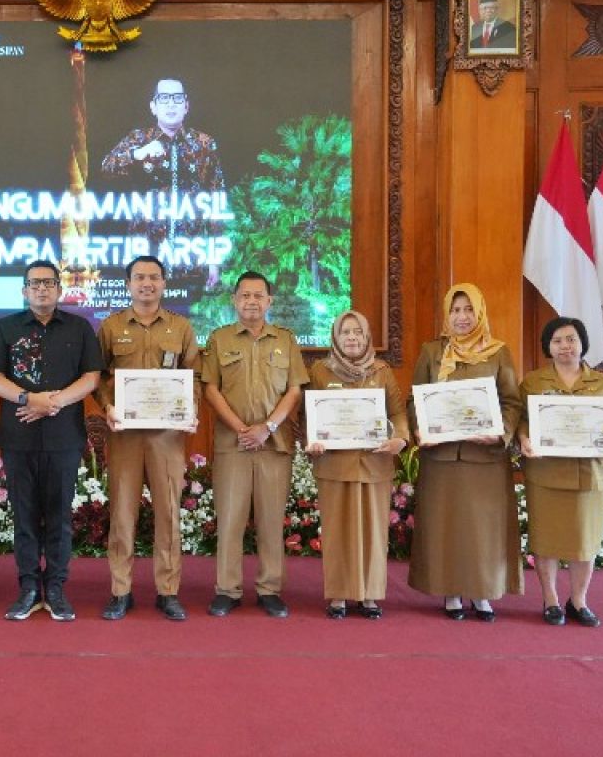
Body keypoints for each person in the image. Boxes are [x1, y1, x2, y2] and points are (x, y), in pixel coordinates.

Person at [0, 259, 103, 621]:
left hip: (64, 437)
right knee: (25, 516)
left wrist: (53, 402)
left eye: (49, 283)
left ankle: (56, 588)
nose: (41, 289)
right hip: (18, 437)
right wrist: (27, 399)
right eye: (34, 284)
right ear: (24, 290)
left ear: (59, 289)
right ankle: (29, 587)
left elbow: (92, 377)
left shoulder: (80, 328)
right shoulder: (5, 328)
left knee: (59, 517)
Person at [408, 283, 523, 621]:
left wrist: (500, 434)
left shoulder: (498, 352)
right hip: (441, 457)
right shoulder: (432, 352)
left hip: (484, 458)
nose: (461, 317)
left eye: (468, 310)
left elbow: (512, 402)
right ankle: (451, 593)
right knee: (447, 527)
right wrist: (419, 430)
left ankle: (483, 593)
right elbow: (416, 398)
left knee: (483, 529)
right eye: (455, 310)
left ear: (479, 312)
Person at [94, 255, 200, 622]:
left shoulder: (180, 327)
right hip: (124, 435)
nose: (147, 284)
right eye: (139, 277)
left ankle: (167, 591)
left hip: (166, 437)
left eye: (154, 277)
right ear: (128, 284)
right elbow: (99, 378)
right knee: (122, 513)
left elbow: (194, 377)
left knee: (169, 513)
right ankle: (120, 591)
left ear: (164, 283)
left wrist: (190, 410)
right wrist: (107, 405)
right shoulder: (110, 327)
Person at [201, 271, 308, 618]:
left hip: (274, 444)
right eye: (244, 295)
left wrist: (267, 427)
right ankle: (227, 590)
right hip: (233, 444)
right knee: (230, 519)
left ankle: (269, 589)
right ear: (234, 300)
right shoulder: (219, 339)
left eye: (258, 296)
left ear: (269, 302)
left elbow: (294, 389)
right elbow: (211, 389)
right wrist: (242, 428)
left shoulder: (286, 340)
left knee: (270, 520)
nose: (251, 301)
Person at [518, 316, 603, 628]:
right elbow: (523, 420)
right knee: (546, 539)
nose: (565, 346)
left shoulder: (602, 383)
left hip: (588, 473)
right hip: (546, 473)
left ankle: (578, 600)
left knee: (586, 540)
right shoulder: (533, 382)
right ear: (547, 348)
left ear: (582, 343)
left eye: (571, 339)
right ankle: (550, 599)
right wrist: (523, 437)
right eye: (557, 341)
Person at [304, 311, 407, 620]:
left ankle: (370, 596)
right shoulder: (320, 371)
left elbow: (398, 413)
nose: (352, 337)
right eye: (345, 332)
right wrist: (313, 440)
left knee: (374, 532)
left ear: (367, 338)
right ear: (335, 337)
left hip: (374, 463)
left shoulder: (381, 370)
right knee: (337, 532)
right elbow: (307, 416)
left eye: (358, 332)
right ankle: (339, 595)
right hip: (334, 464)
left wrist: (400, 439)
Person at [101, 77, 226, 288]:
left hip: (190, 257)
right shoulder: (139, 139)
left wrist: (214, 258)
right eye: (164, 98)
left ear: (186, 106)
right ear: (153, 106)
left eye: (177, 98)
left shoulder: (203, 143)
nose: (171, 104)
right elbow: (106, 168)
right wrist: (139, 154)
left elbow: (216, 199)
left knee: (185, 318)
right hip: (145, 257)